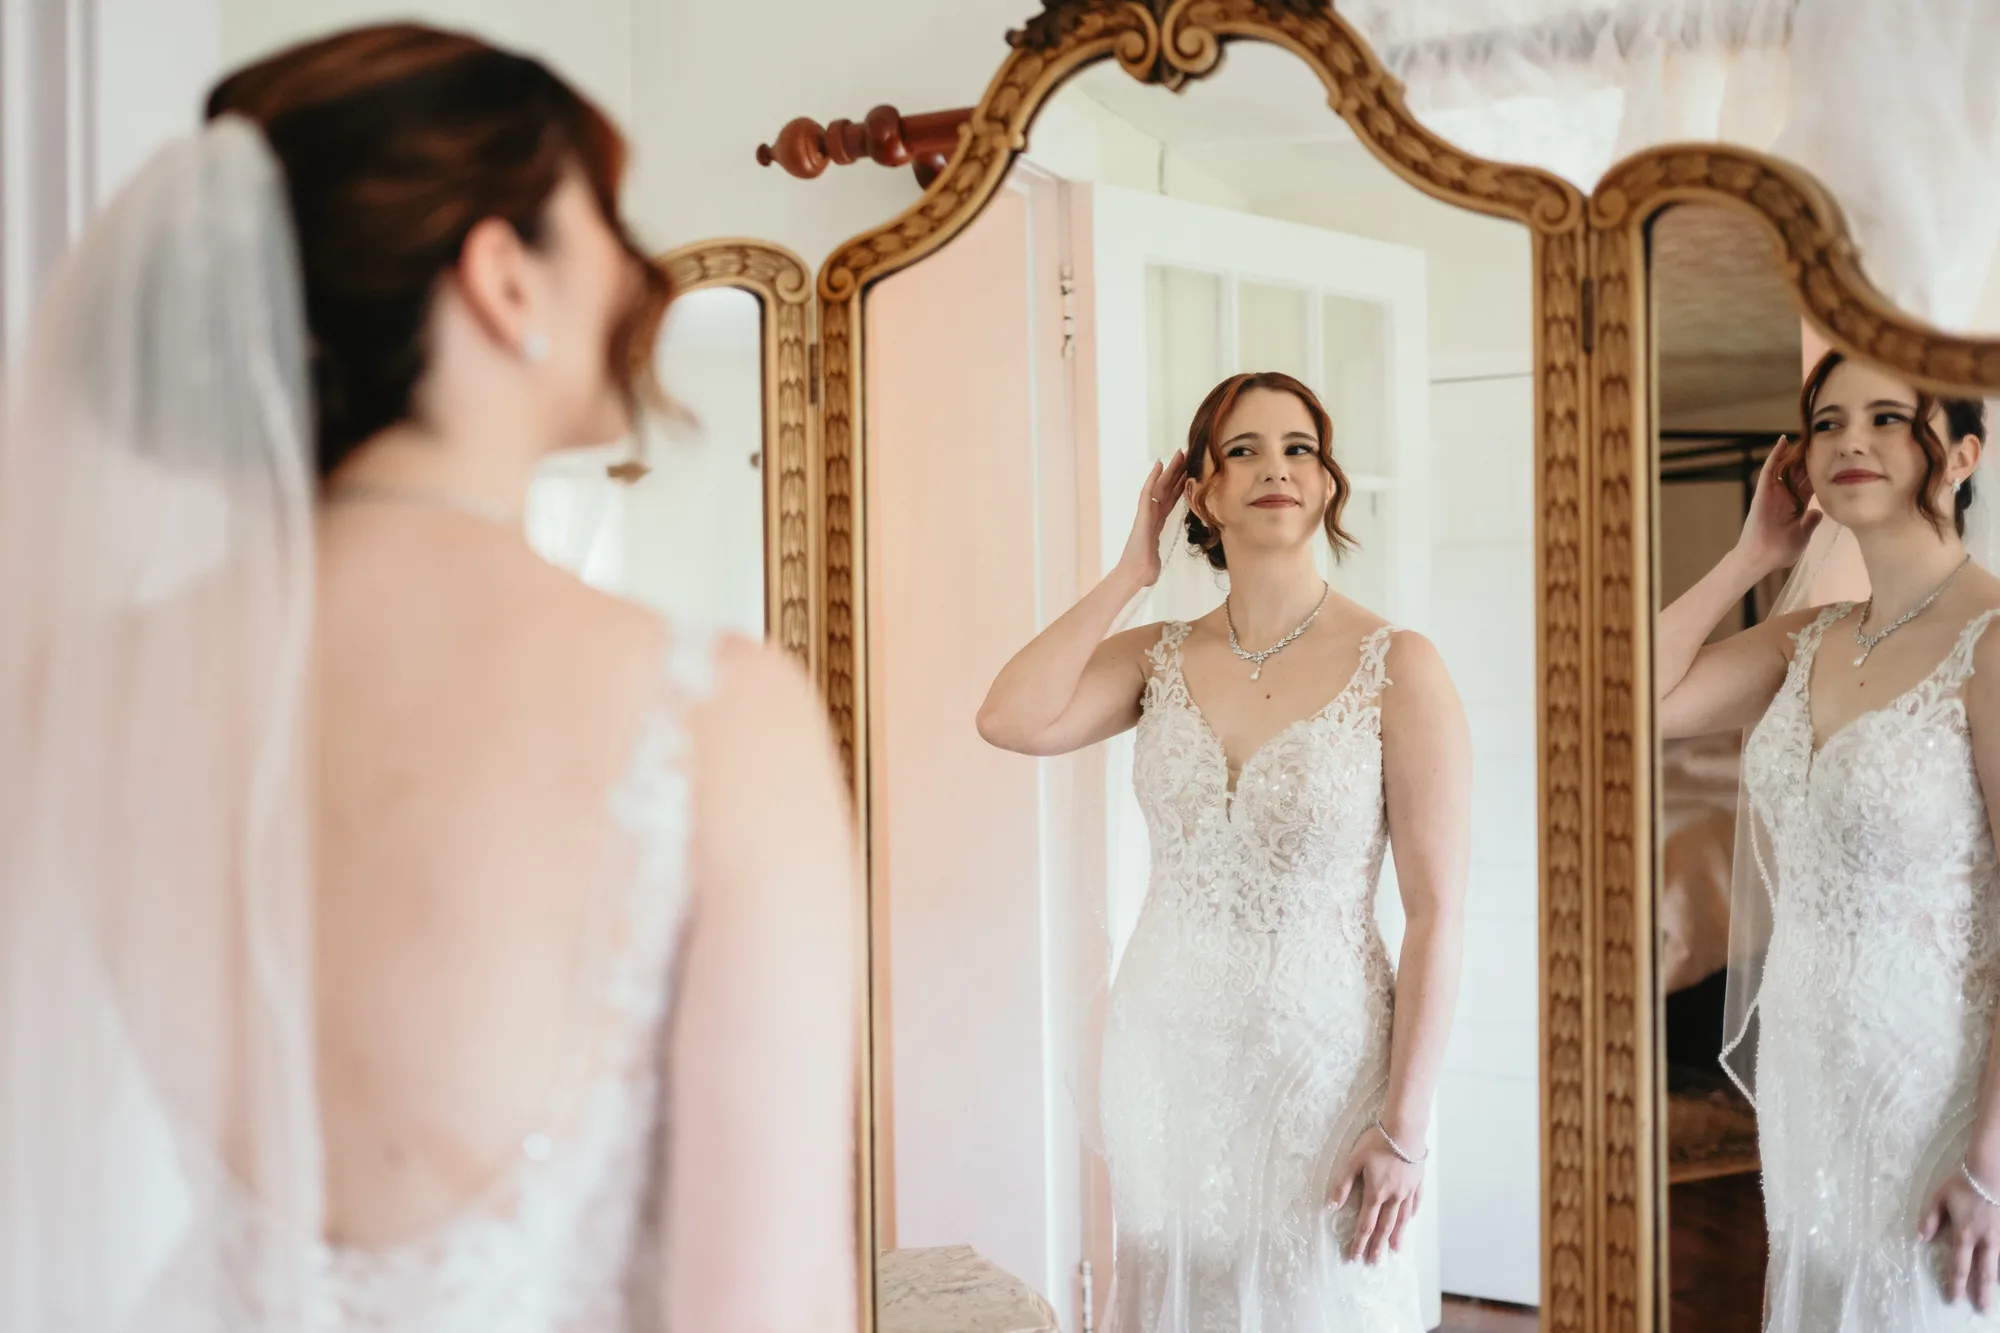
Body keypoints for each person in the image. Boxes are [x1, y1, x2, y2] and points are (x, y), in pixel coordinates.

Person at [0, 25, 857, 1333]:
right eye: (608, 220)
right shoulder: (716, 714)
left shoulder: (89, 692)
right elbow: (766, 1308)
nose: (641, 271)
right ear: (502, 278)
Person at [978, 371, 1469, 1332]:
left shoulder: (1399, 664)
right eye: (1242, 450)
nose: (1275, 468)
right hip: (1166, 1062)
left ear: (1326, 484)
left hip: (1326, 1070)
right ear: (1200, 495)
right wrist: (1130, 572)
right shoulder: (1157, 657)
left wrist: (1405, 1126)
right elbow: (1010, 716)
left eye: (1298, 448)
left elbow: (1438, 912)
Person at [1657, 349, 2000, 1329]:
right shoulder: (1805, 637)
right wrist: (1748, 560)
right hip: (1806, 1068)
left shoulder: (1989, 641)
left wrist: (1988, 1162)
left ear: (1962, 454)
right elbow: (1627, 697)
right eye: (1825, 422)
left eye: (1888, 417)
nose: (1850, 439)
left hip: (1936, 1081)